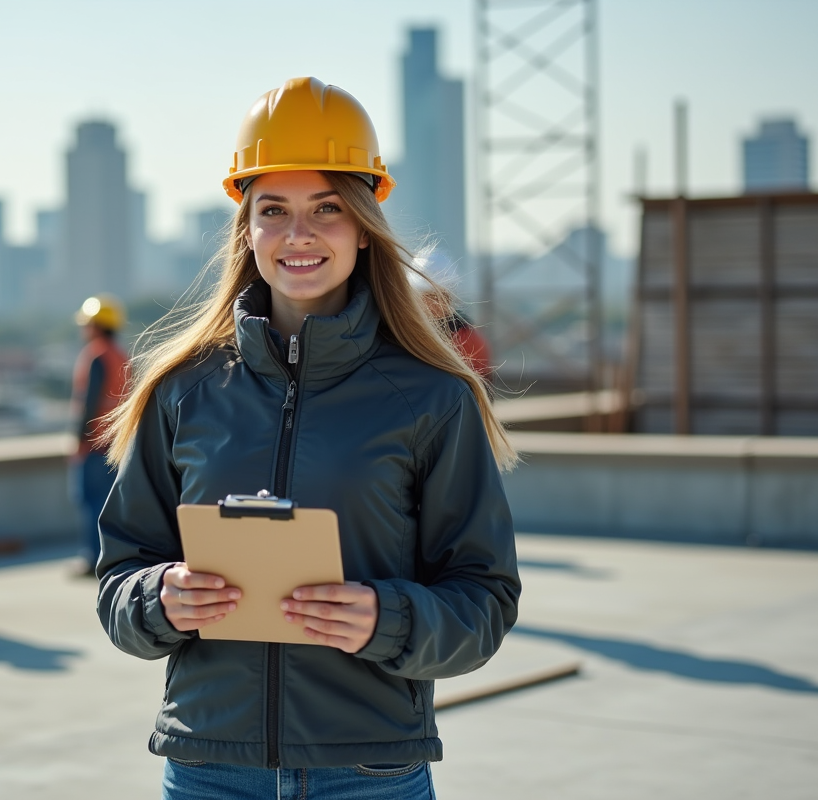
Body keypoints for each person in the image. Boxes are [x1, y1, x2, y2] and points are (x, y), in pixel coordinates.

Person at [95, 77, 521, 799]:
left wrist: (388, 619)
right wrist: (159, 598)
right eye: (274, 211)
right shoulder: (182, 390)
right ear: (247, 227)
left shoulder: (432, 397)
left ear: (362, 223)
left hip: (368, 771)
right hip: (208, 768)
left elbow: (484, 601)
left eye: (326, 208)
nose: (299, 234)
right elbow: (118, 580)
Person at [68, 293, 130, 576]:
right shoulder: (120, 356)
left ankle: (92, 559)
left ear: (95, 326)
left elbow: (90, 404)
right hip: (115, 443)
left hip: (94, 445)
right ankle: (109, 558)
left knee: (91, 502)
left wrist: (79, 440)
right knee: (107, 504)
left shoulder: (96, 356)